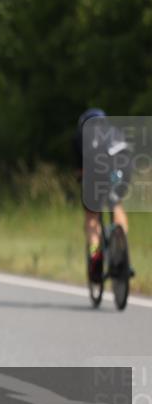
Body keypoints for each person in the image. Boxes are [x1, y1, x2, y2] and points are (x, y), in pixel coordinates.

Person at [74, 108, 131, 283]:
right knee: (116, 205)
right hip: (120, 172)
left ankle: (95, 257)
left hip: (96, 176)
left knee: (92, 219)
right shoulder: (115, 132)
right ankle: (121, 248)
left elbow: (80, 169)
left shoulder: (81, 136)